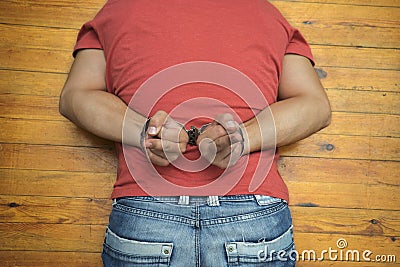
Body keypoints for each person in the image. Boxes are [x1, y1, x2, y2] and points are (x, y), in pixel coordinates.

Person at [59, 0, 331, 266]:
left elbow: (76, 95)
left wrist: (147, 132)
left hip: (147, 211)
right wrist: (242, 138)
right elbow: (314, 105)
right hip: (252, 214)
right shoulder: (269, 13)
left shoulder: (117, 8)